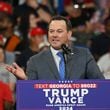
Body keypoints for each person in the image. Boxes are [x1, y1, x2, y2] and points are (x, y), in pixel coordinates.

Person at [6, 15, 104, 80]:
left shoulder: (84, 55)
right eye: (51, 31)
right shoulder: (35, 61)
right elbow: (32, 93)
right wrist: (25, 80)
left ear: (69, 34)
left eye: (59, 31)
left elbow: (100, 84)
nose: (54, 35)